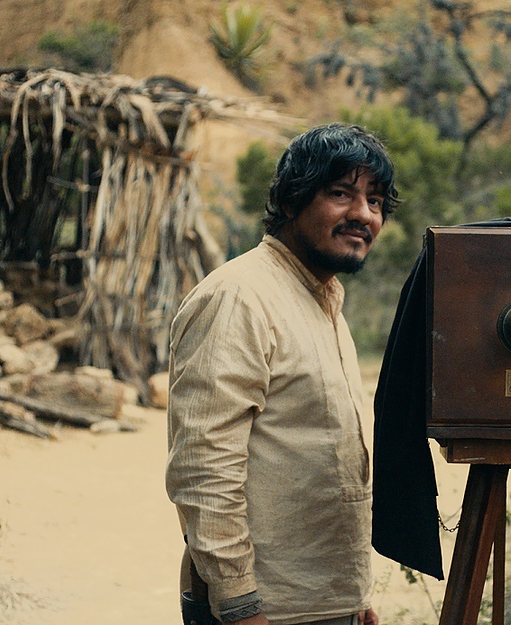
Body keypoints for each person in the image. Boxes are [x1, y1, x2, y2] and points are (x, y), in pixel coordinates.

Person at [166, 123, 400, 625]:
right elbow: (204, 469)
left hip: (320, 604)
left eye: (376, 201)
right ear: (292, 201)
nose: (363, 214)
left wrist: (352, 598)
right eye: (341, 193)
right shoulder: (238, 297)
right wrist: (239, 604)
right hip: (263, 610)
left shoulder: (323, 299)